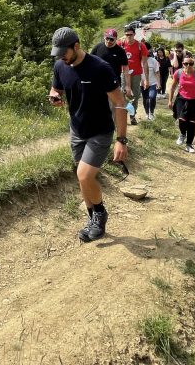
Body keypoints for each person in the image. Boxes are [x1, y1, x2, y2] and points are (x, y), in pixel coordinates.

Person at [48, 27, 128, 242]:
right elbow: (56, 89)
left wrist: (121, 140)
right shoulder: (60, 66)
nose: (61, 58)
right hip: (77, 130)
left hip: (100, 132)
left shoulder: (99, 68)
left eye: (64, 52)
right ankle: (92, 218)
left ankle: (100, 215)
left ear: (76, 46)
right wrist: (54, 96)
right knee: (82, 178)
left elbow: (120, 103)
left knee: (84, 175)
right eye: (58, 54)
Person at [168, 55, 195, 153]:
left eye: (191, 63)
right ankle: (183, 134)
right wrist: (170, 100)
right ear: (182, 64)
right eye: (185, 63)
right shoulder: (178, 73)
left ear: (193, 64)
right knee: (182, 120)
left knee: (192, 123)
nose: (188, 65)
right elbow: (172, 87)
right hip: (181, 99)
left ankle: (189, 144)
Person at [90, 28, 133, 105]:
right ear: (104, 37)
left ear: (116, 39)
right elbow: (89, 62)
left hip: (114, 83)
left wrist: (128, 86)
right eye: (107, 38)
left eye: (111, 39)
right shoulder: (98, 47)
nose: (109, 41)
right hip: (98, 82)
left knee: (113, 106)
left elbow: (126, 69)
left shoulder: (120, 51)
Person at [119, 25, 149, 125]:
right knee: (123, 94)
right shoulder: (121, 44)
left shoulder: (141, 46)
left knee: (135, 95)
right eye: (127, 35)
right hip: (123, 73)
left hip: (136, 74)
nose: (129, 36)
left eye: (130, 35)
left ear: (134, 34)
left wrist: (146, 79)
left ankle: (132, 115)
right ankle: (123, 115)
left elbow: (145, 63)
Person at [143, 45, 160, 120]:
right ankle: (147, 113)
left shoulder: (153, 60)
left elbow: (157, 72)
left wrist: (158, 83)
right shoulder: (138, 60)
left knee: (152, 97)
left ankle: (152, 112)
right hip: (142, 84)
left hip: (153, 83)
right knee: (145, 99)